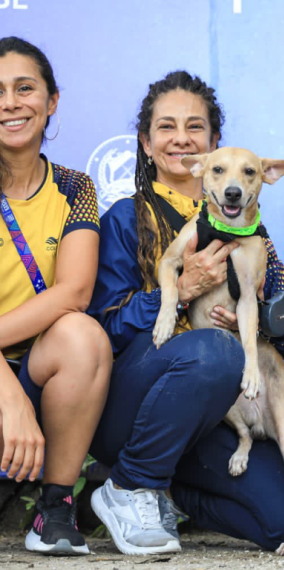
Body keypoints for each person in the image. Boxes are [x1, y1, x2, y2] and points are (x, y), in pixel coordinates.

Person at [86, 70, 284, 555]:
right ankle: (130, 483)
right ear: (146, 141)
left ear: (215, 144)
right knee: (213, 353)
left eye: (195, 127)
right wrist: (177, 290)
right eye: (166, 127)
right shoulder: (123, 219)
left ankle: (174, 493)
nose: (181, 138)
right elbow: (105, 330)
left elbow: (281, 336)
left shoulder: (249, 226)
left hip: (219, 413)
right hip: (138, 404)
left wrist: (275, 315)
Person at [0, 37, 111, 556]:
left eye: (25, 88)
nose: (11, 103)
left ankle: (55, 507)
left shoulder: (74, 187)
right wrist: (9, 398)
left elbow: (76, 290)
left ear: (52, 101)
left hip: (35, 365)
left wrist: (22, 392)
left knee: (82, 336)